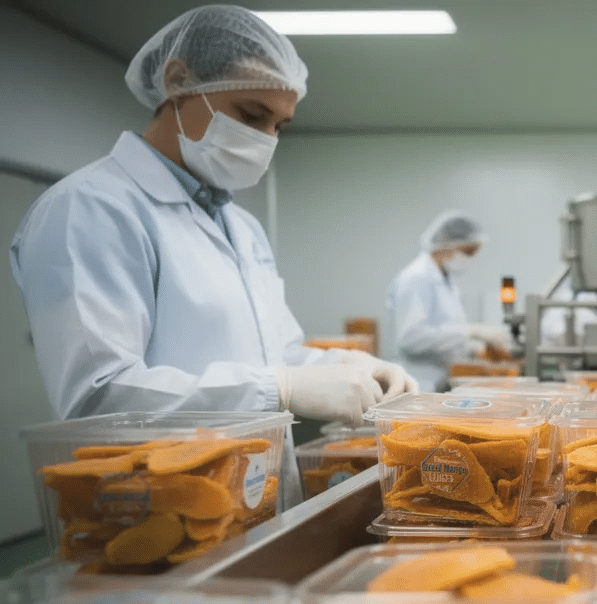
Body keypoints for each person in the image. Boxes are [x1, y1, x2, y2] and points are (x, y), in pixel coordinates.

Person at [9, 5, 415, 510]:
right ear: (178, 81)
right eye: (251, 115)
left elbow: (276, 353)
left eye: (280, 126)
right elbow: (98, 399)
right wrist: (280, 388)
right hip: (151, 514)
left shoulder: (239, 225)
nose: (266, 139)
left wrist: (349, 365)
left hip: (249, 500)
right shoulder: (88, 209)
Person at [387, 210, 513, 392]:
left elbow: (445, 333)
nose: (471, 259)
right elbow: (410, 338)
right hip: (419, 383)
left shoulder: (446, 281)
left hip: (440, 382)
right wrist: (471, 331)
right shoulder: (417, 278)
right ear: (445, 241)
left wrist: (474, 350)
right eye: (468, 251)